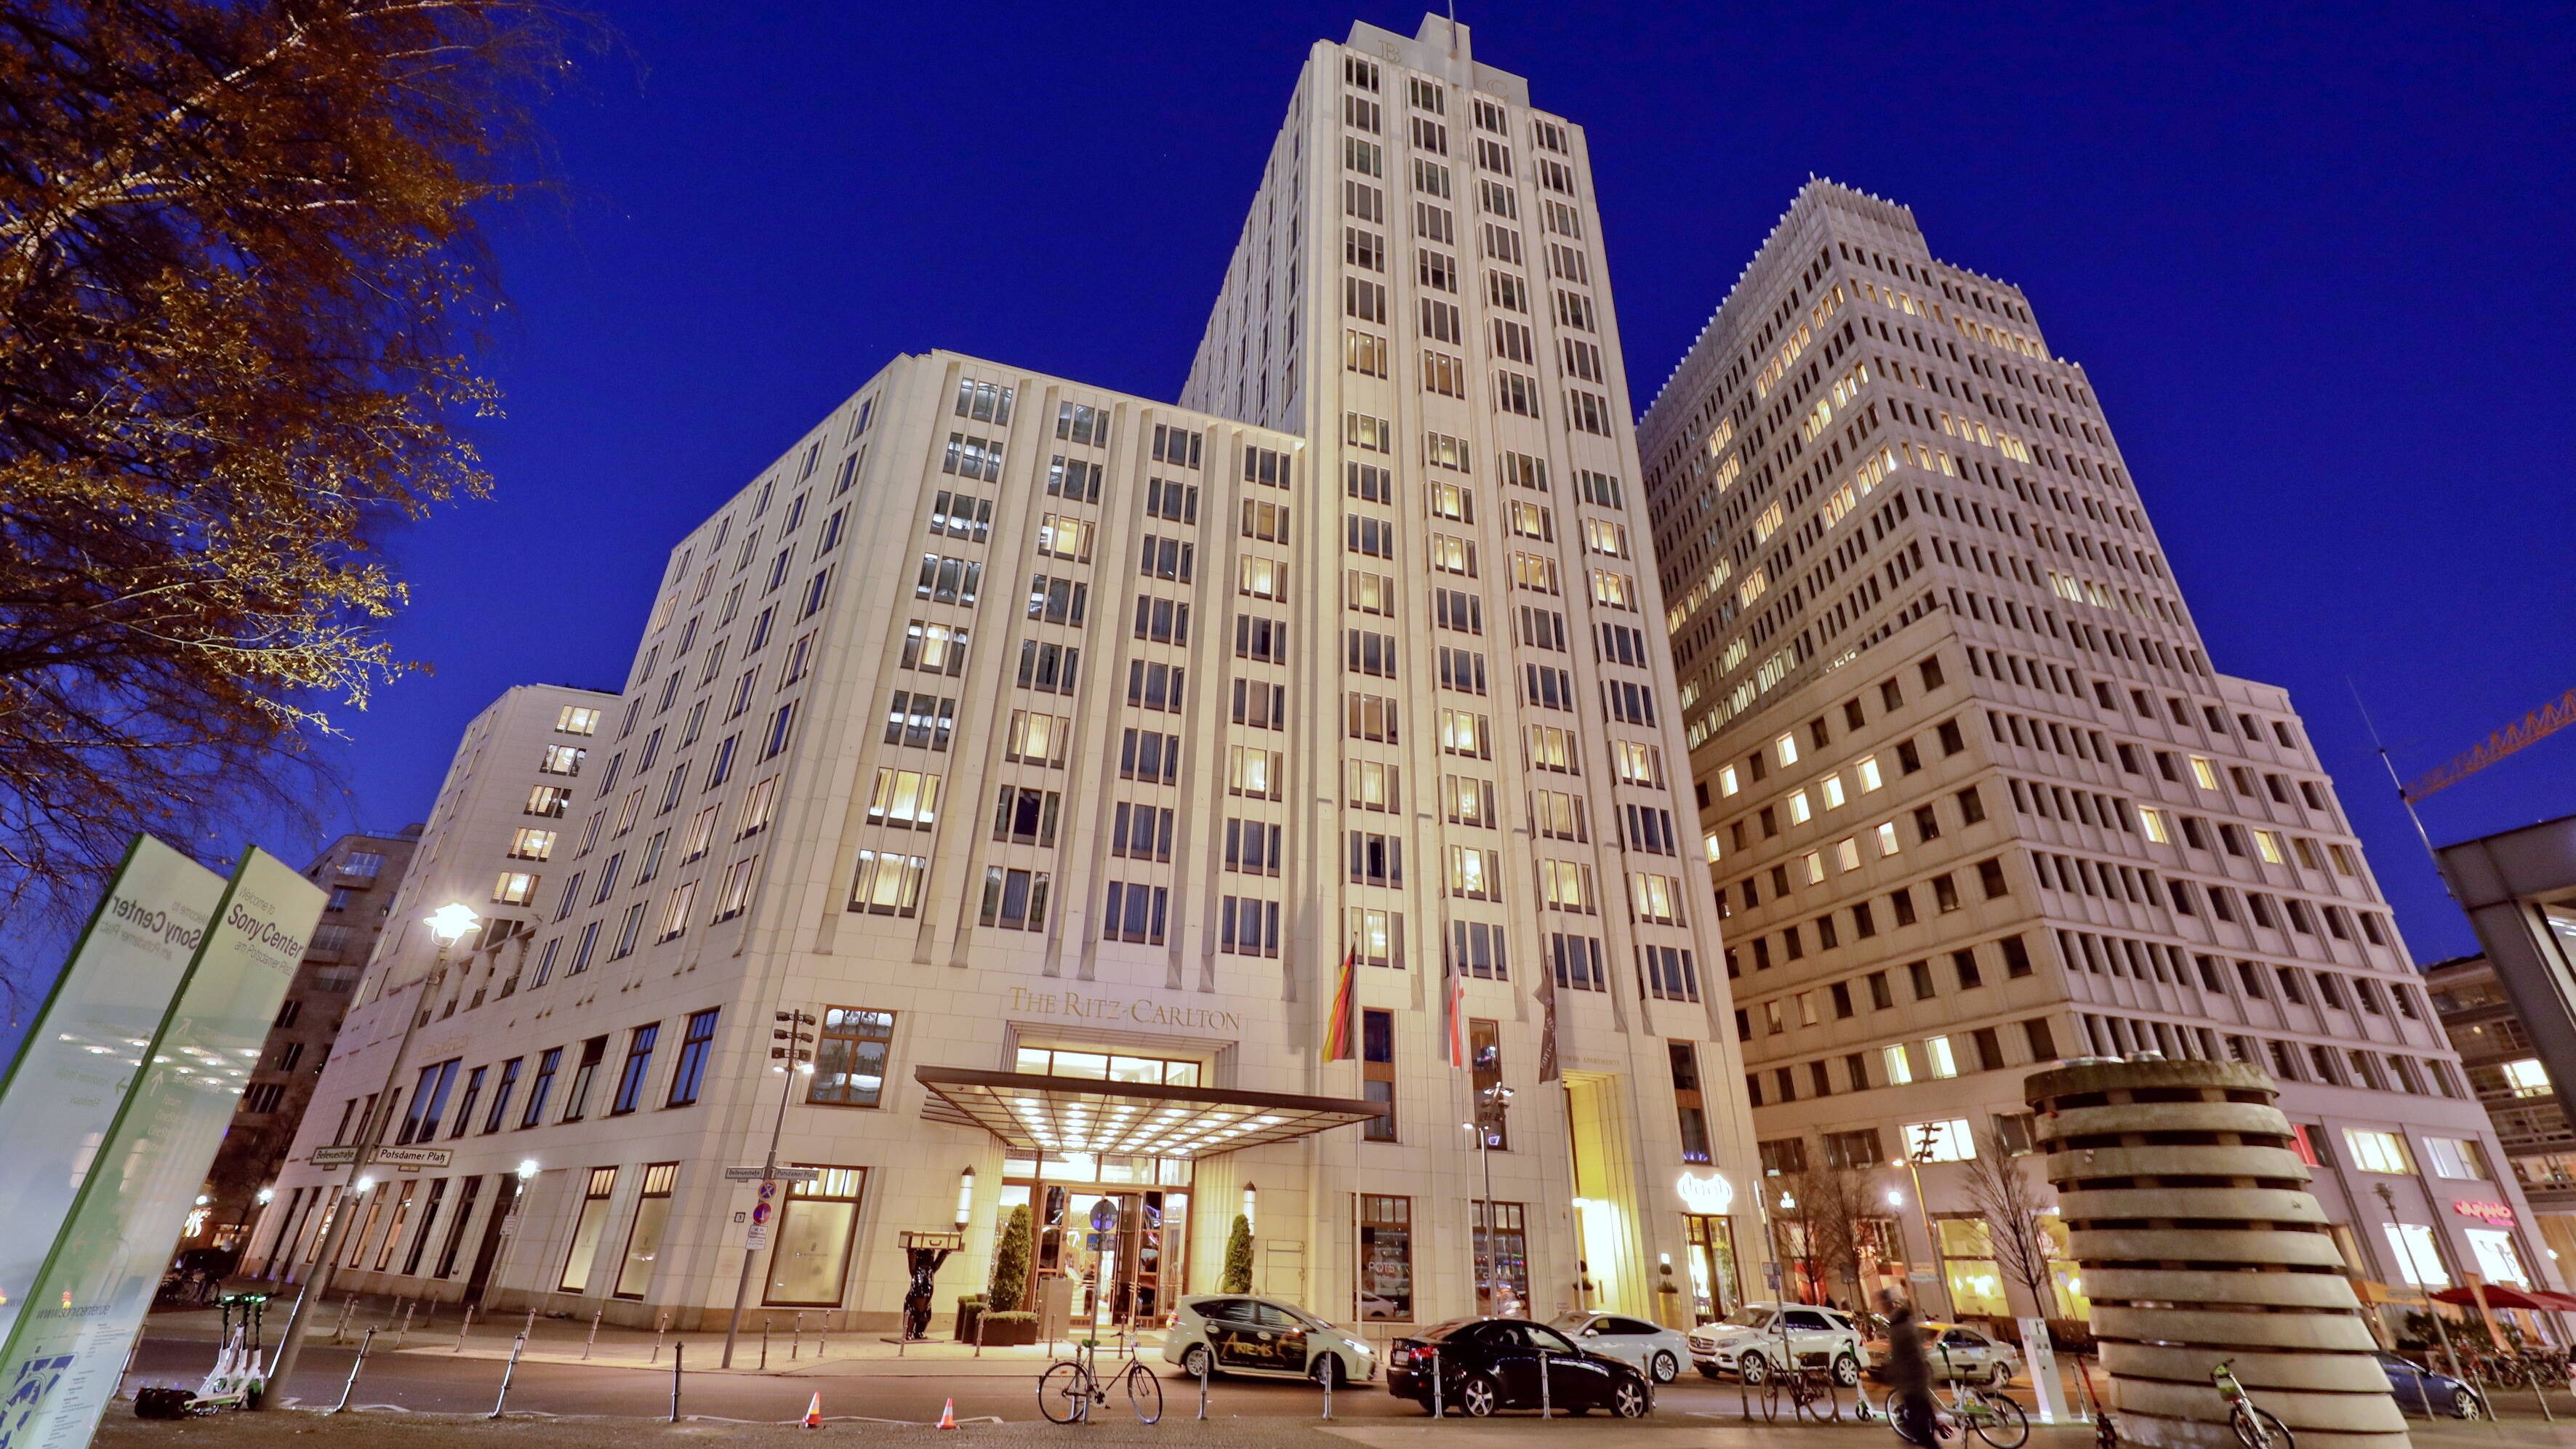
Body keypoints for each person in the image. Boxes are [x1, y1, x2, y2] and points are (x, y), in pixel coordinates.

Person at [1881, 1290, 1946, 1447]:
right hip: (1915, 1379)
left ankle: (1926, 1442)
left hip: (1912, 1381)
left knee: (1918, 1424)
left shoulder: (1899, 1328)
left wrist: (1891, 1373)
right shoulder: (1905, 1324)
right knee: (1923, 1417)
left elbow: (1902, 1355)